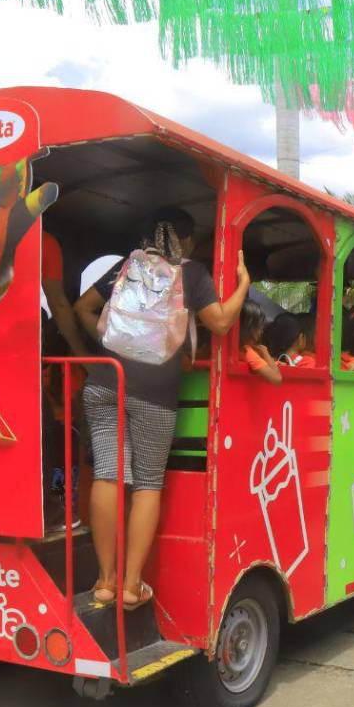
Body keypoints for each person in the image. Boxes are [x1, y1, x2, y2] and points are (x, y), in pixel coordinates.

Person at [73, 208, 250, 607]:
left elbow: (83, 307)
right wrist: (243, 284)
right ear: (186, 241)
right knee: (148, 483)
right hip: (154, 390)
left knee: (108, 473)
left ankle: (104, 581)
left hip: (104, 382)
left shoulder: (126, 266)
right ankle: (132, 586)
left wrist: (109, 345)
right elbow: (220, 323)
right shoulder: (192, 273)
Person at [41, 229, 86, 532]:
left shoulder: (47, 370)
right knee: (64, 465)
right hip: (66, 434)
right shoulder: (72, 370)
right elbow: (58, 303)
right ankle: (59, 507)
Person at [240, 301, 282, 384]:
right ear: (250, 328)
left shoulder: (239, 350)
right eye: (260, 326)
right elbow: (277, 378)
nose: (261, 330)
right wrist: (265, 352)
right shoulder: (248, 352)